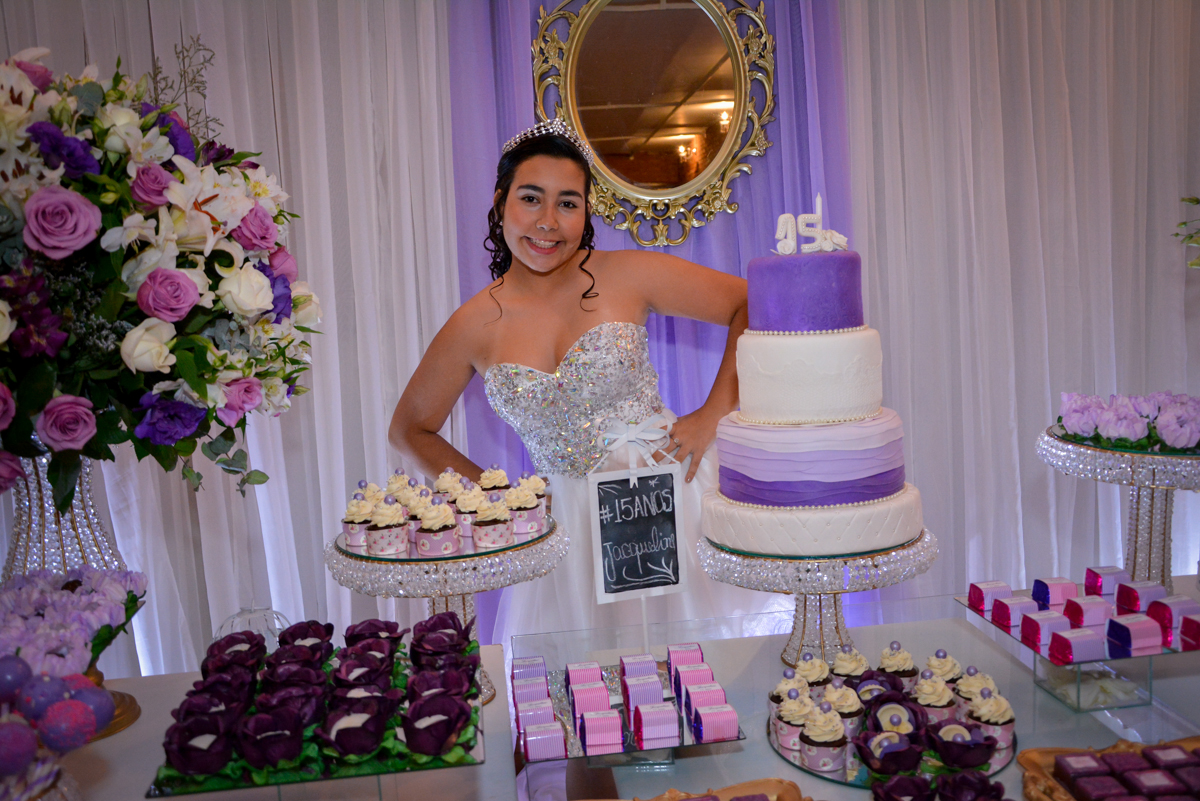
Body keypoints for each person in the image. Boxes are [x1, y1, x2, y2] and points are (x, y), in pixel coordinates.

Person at [388, 120, 788, 648]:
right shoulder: (472, 323)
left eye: (568, 203)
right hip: (566, 533)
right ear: (501, 201)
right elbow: (410, 430)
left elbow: (753, 300)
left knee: (700, 677)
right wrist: (501, 500)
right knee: (585, 701)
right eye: (532, 199)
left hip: (667, 497)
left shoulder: (628, 274)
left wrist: (711, 414)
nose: (548, 222)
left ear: (585, 211)